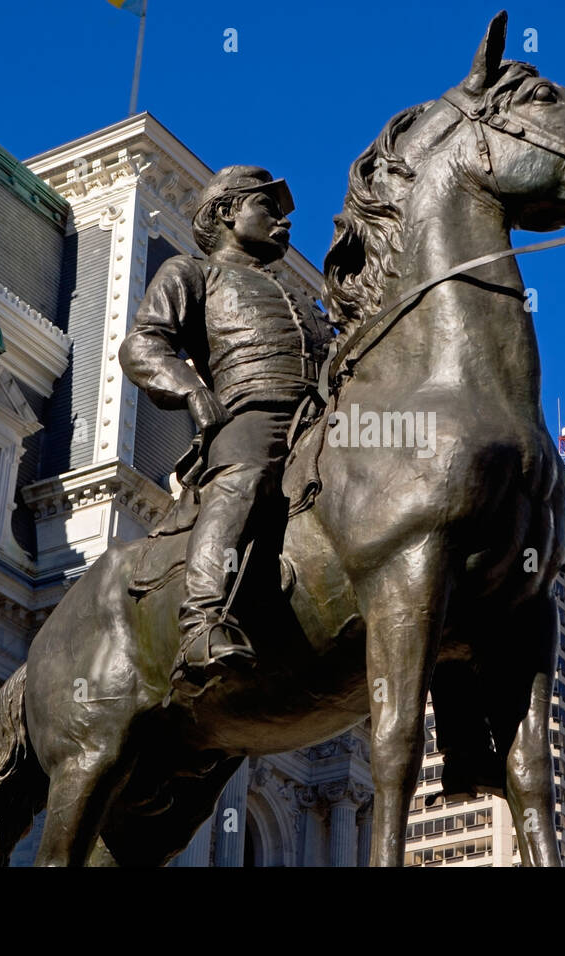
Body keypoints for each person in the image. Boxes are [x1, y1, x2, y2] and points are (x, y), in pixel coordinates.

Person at [119, 166, 332, 694]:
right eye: (268, 207)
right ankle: (202, 620)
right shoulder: (191, 273)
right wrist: (192, 390)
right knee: (244, 477)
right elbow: (142, 344)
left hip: (322, 417)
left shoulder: (302, 300)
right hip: (252, 410)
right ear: (225, 213)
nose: (283, 221)